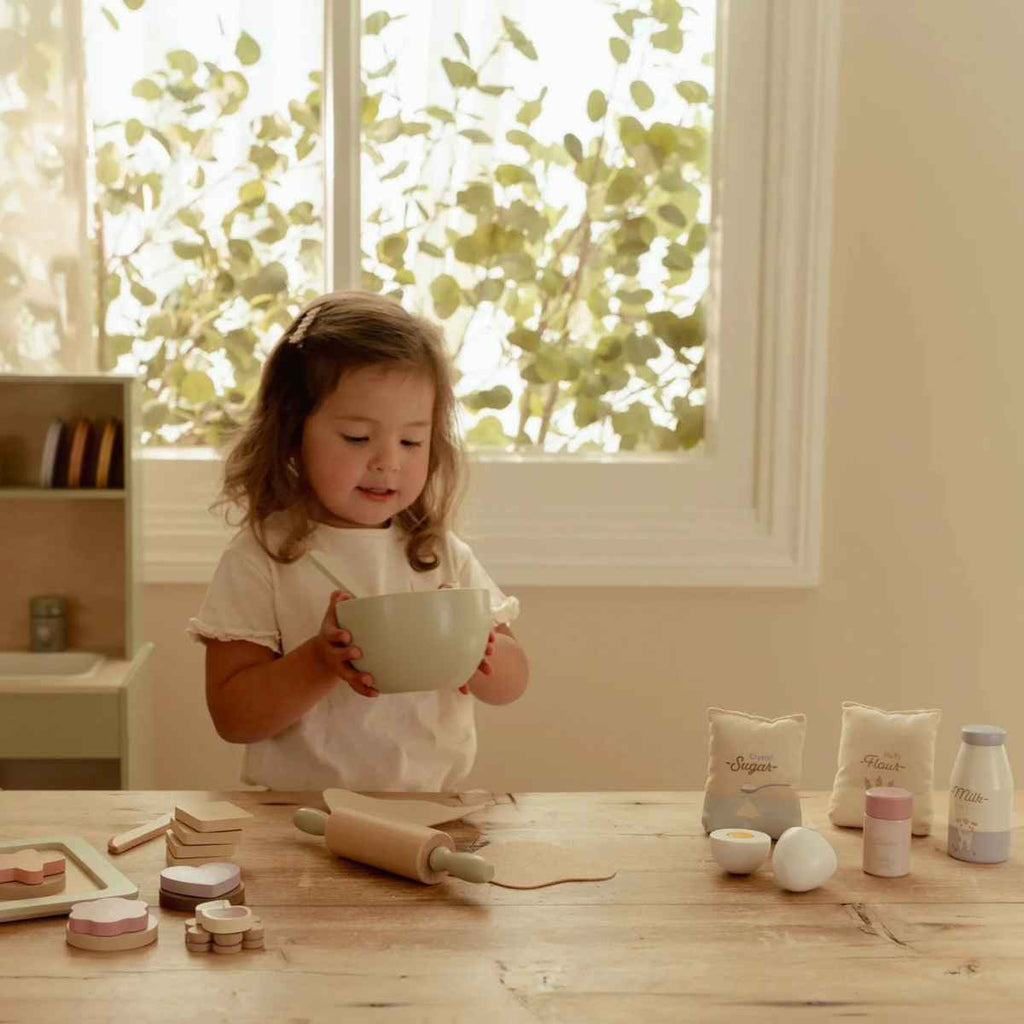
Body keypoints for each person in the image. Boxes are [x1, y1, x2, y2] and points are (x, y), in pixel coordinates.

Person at [187, 291, 529, 791]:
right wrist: (319, 662)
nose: (388, 461)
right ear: (291, 435)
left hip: (432, 811)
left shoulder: (438, 553)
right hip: (298, 821)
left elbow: (513, 683)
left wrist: (481, 650)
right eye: (356, 437)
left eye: (412, 440)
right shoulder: (264, 557)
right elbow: (234, 717)